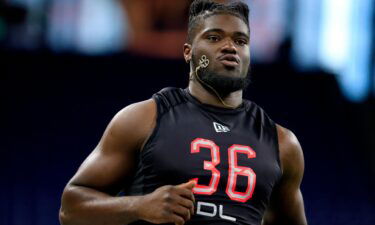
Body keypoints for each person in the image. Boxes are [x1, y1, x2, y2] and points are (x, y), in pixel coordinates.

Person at [59, 0, 308, 225]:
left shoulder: (283, 143)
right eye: (214, 37)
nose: (230, 47)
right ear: (188, 51)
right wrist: (138, 206)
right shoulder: (144, 118)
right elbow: (71, 208)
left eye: (240, 41)